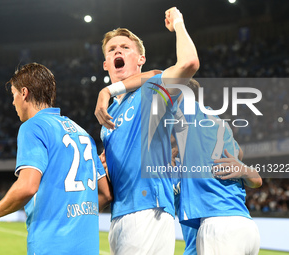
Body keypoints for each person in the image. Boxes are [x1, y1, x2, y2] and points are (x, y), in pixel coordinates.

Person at [94, 7, 199, 255]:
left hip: (148, 210)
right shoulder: (108, 115)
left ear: (141, 59)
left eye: (125, 47)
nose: (117, 50)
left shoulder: (153, 91)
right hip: (119, 215)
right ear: (105, 64)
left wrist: (179, 24)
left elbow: (189, 63)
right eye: (112, 50)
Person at [0, 63, 112, 255]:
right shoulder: (82, 133)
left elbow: (27, 186)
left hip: (52, 246)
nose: (13, 102)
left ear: (24, 93)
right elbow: (106, 194)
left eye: (13, 95)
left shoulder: (33, 127)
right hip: (87, 248)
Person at [171, 78, 262, 255]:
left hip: (218, 227)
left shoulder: (192, 117)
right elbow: (256, 178)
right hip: (245, 226)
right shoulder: (219, 133)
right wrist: (244, 169)